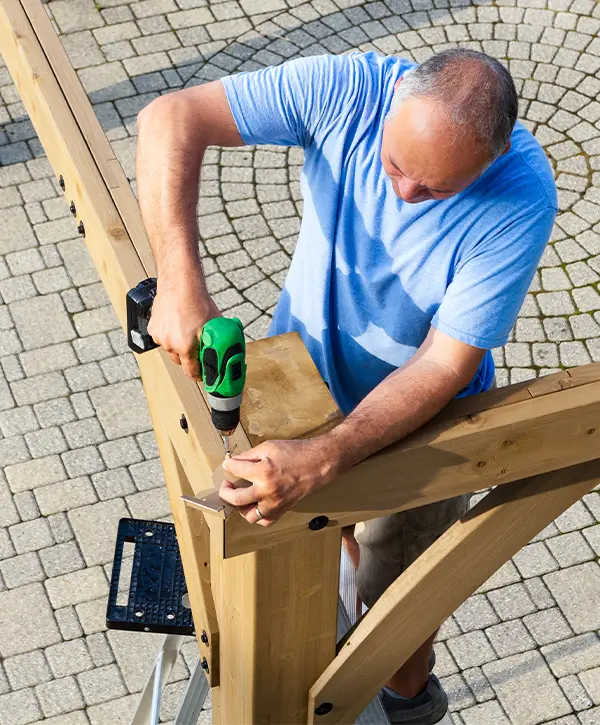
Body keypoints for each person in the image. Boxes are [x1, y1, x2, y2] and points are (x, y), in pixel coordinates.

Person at [136, 48, 557, 724]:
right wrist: (180, 279)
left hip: (424, 428)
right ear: (394, 105)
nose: (404, 195)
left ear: (495, 159)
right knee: (337, 544)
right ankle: (348, 576)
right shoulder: (351, 89)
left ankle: (410, 701)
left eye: (438, 189)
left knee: (399, 610)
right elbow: (169, 117)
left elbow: (442, 366)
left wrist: (329, 455)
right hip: (302, 385)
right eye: (395, 166)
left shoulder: (522, 196)